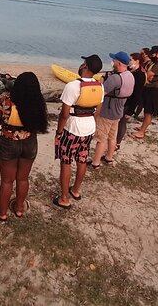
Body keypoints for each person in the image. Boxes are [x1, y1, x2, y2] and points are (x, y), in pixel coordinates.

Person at [0, 72, 48, 221]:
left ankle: (2, 212)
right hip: (29, 142)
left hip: (8, 142)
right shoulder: (38, 102)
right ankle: (19, 208)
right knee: (22, 179)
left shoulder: (5, 100)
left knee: (7, 180)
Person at [53, 55, 103, 209]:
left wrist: (59, 131)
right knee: (82, 158)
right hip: (89, 128)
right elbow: (97, 110)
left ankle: (64, 198)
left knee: (66, 161)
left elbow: (64, 114)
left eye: (83, 63)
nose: (81, 65)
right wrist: (90, 122)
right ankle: (75, 190)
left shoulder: (73, 86)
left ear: (85, 66)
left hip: (72, 128)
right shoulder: (100, 86)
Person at [90, 52, 134, 168]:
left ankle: (95, 162)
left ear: (118, 62)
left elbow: (101, 93)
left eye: (114, 60)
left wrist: (102, 81)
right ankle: (109, 157)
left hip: (107, 112)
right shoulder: (130, 76)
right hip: (119, 112)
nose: (112, 62)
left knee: (101, 138)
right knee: (112, 137)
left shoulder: (115, 78)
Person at [130, 46, 158, 140]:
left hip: (154, 90)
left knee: (148, 112)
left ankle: (141, 132)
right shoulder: (156, 63)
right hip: (150, 89)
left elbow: (148, 75)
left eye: (152, 54)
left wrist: (145, 75)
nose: (151, 56)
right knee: (147, 110)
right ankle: (143, 128)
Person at [116, 52, 146, 147]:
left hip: (129, 102)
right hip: (122, 101)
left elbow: (137, 93)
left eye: (130, 60)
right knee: (118, 122)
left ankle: (118, 143)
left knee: (122, 123)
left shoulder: (140, 75)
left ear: (137, 61)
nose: (128, 62)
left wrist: (131, 111)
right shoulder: (130, 70)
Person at [132, 48, 151, 119]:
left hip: (143, 82)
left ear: (146, 54)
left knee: (140, 100)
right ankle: (134, 112)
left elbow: (148, 73)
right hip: (140, 79)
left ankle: (136, 114)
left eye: (142, 53)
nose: (140, 54)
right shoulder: (143, 61)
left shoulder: (148, 63)